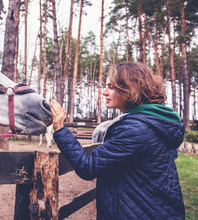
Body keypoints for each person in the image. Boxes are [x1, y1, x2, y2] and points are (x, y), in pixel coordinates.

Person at [50, 62, 185, 220]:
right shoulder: (152, 121)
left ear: (130, 88)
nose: (104, 92)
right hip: (155, 210)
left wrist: (60, 130)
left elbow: (87, 167)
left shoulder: (135, 129)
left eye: (111, 87)